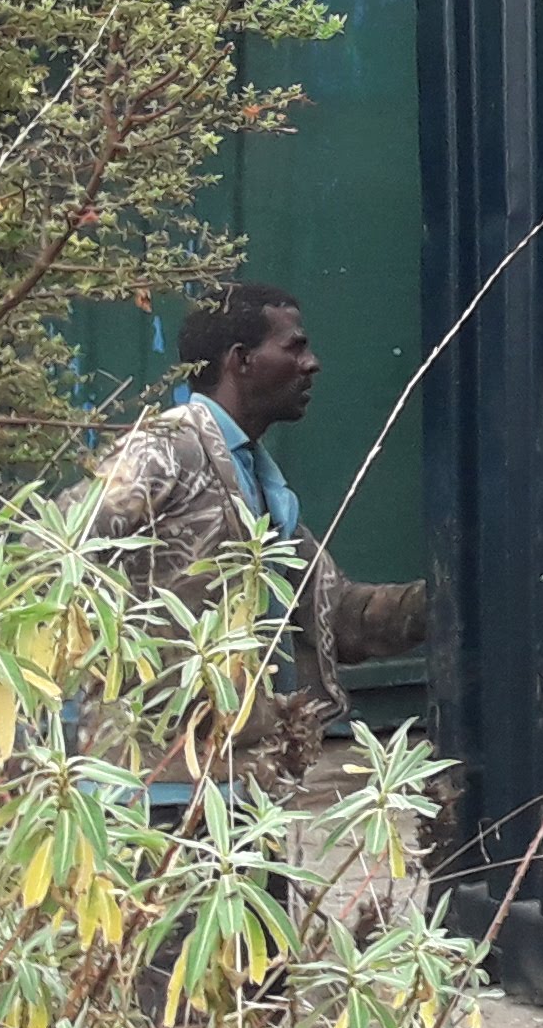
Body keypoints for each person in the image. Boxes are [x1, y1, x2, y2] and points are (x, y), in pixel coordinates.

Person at [83, 282, 427, 789]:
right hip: (152, 790)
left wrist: (446, 602)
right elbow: (55, 556)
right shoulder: (165, 451)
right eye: (294, 347)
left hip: (239, 788)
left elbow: (336, 614)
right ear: (241, 360)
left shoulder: (259, 483)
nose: (312, 364)